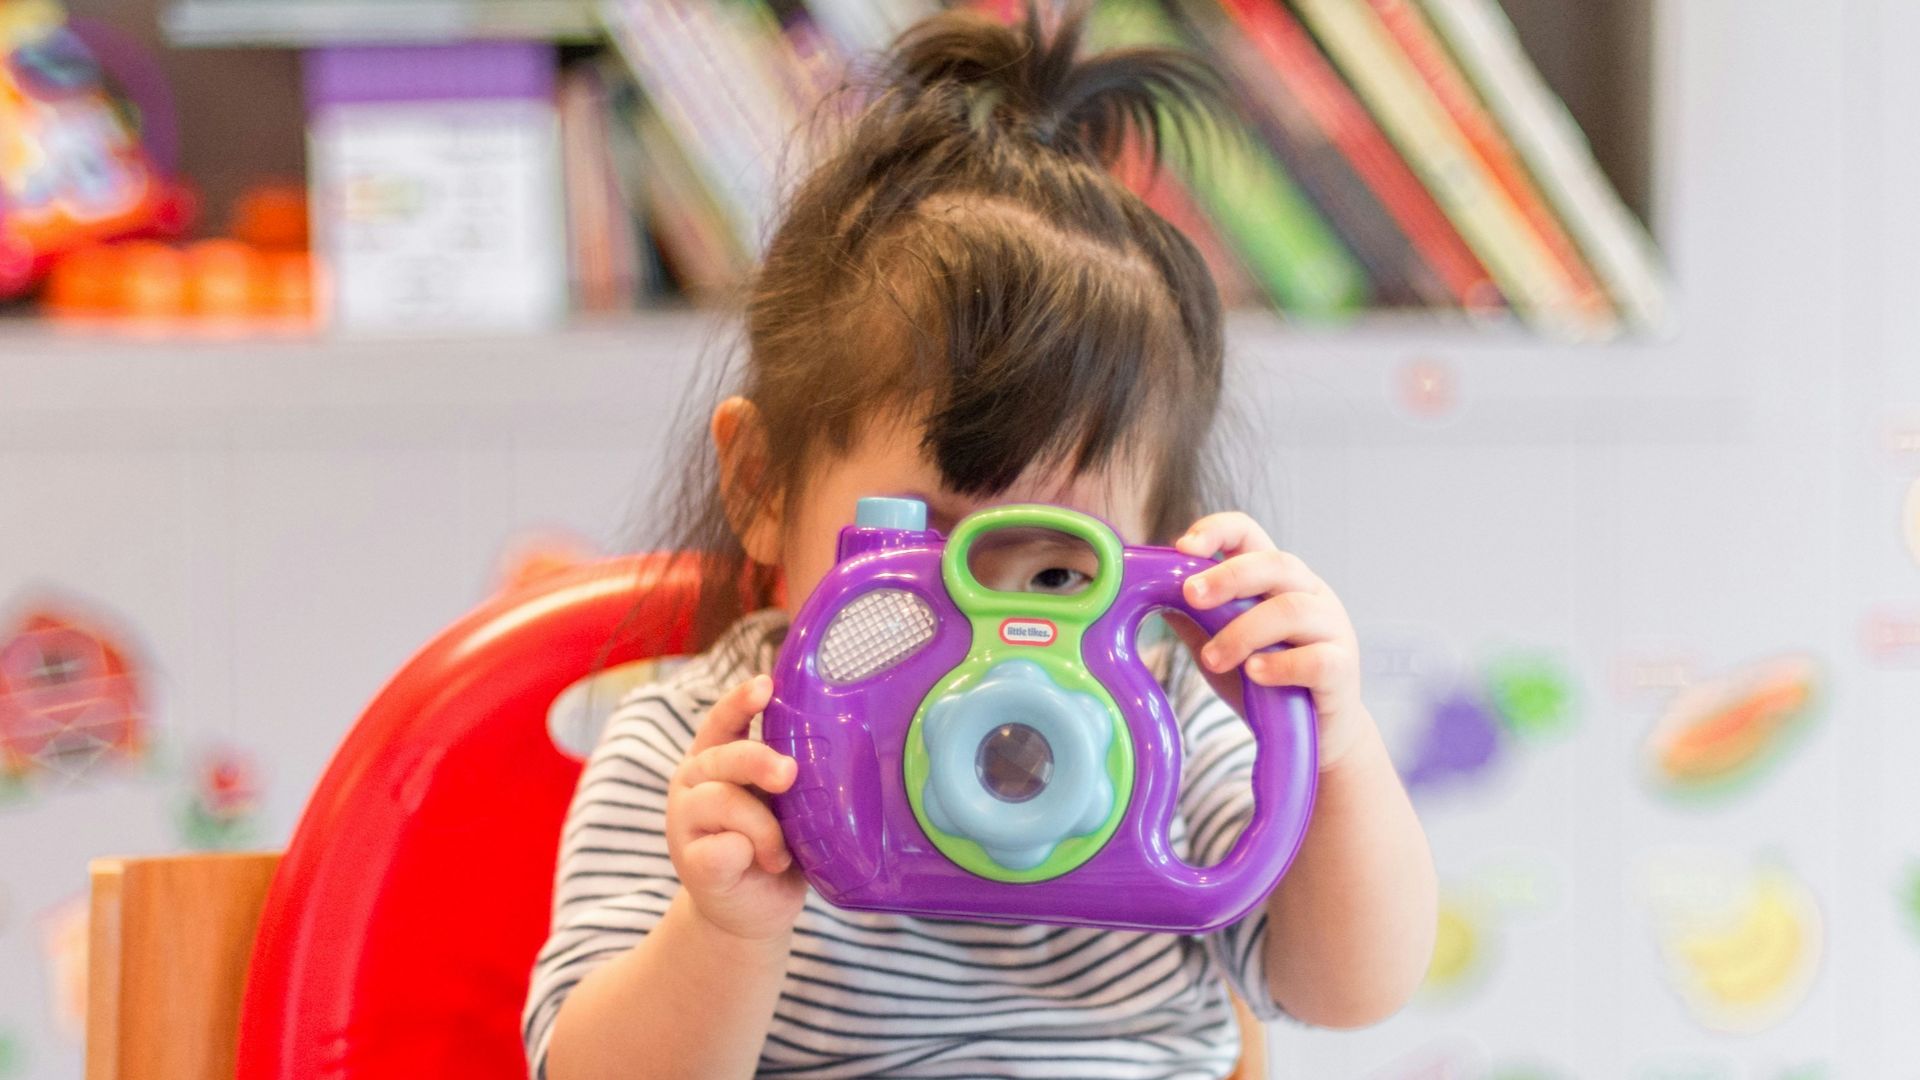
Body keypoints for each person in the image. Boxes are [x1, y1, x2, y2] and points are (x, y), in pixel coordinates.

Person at [524, 6, 1435, 1077]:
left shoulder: (1161, 722)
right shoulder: (710, 752)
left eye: (1060, 573)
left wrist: (1331, 749)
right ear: (764, 482)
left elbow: (1347, 989)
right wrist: (725, 928)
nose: (995, 639)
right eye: (923, 558)